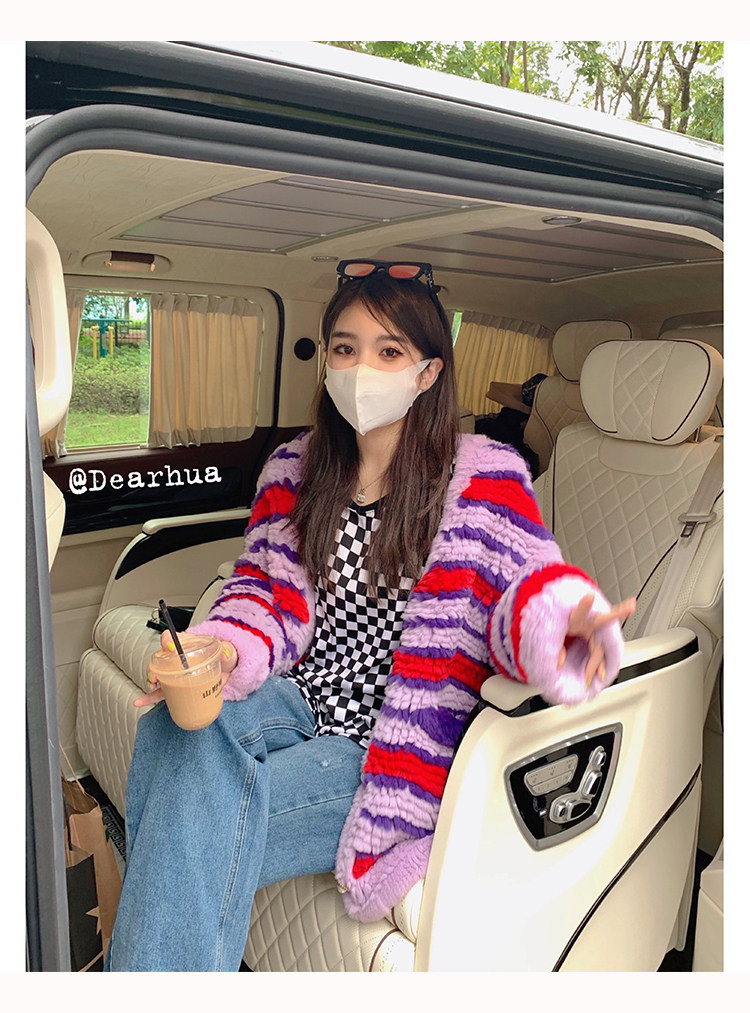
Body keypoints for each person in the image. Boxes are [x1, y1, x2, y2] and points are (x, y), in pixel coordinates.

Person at [105, 260, 635, 971]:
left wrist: (563, 626)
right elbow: (264, 586)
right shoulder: (294, 468)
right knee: (174, 725)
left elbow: (526, 590)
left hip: (386, 740)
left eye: (389, 351)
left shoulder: (485, 477)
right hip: (300, 694)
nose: (362, 368)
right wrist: (224, 649)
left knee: (190, 819)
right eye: (345, 348)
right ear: (327, 362)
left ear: (428, 372)